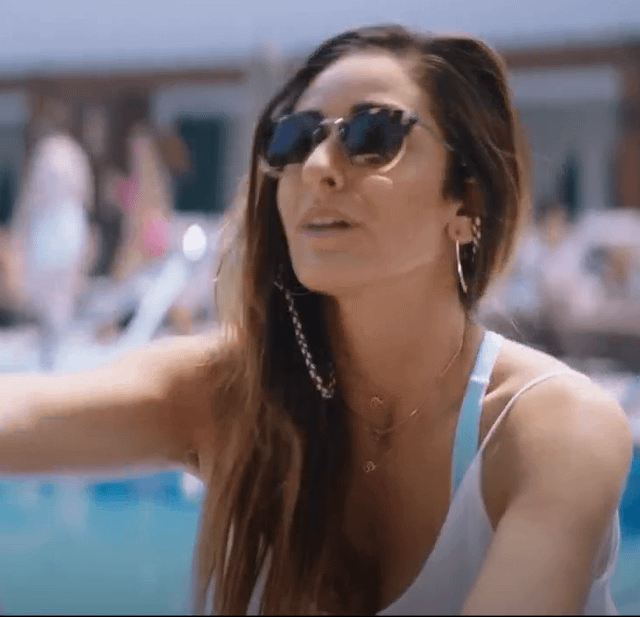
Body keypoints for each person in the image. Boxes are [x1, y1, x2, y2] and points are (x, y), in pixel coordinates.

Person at [0, 24, 632, 616]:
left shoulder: (554, 430)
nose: (318, 166)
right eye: (294, 139)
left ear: (466, 198)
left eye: (373, 134)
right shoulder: (231, 396)